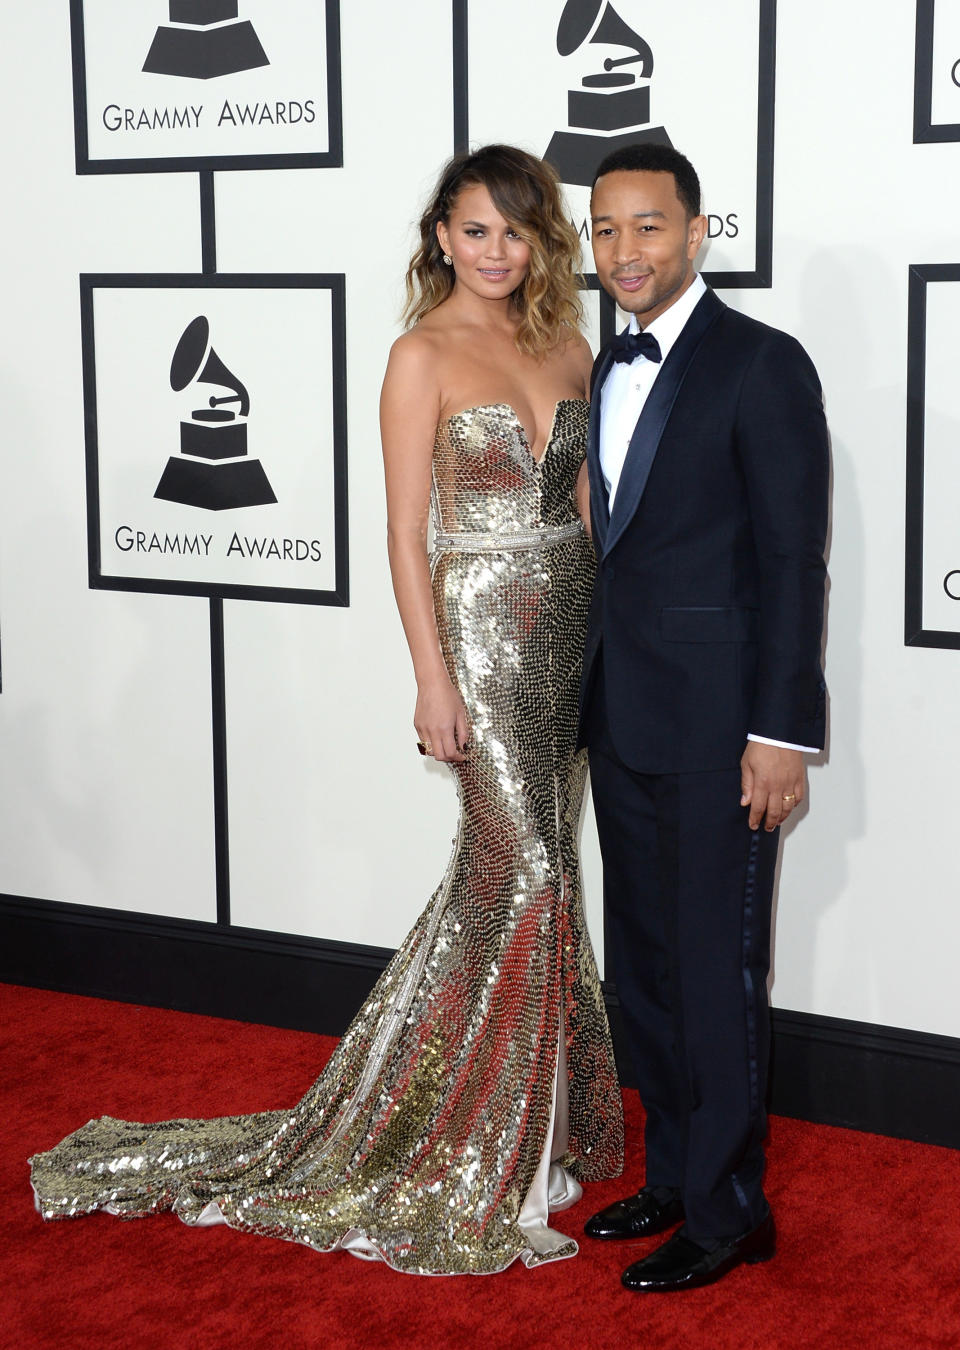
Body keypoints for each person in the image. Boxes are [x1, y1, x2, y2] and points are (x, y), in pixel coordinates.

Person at [29, 145, 623, 1276]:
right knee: (528, 871)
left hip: (575, 630)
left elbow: (591, 504)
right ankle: (481, 1148)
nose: (497, 252)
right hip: (483, 636)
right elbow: (405, 532)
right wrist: (432, 678)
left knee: (519, 880)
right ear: (440, 235)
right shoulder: (419, 355)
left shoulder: (567, 343)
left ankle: (526, 1127)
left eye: (516, 230)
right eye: (475, 230)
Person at [579, 143, 828, 1292]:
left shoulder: (763, 365)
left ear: (697, 231)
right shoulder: (597, 369)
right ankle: (677, 1171)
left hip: (727, 734)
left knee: (718, 974)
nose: (625, 251)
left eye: (647, 227)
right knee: (649, 974)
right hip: (623, 721)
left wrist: (782, 732)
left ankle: (732, 1212)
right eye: (604, 230)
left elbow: (791, 560)